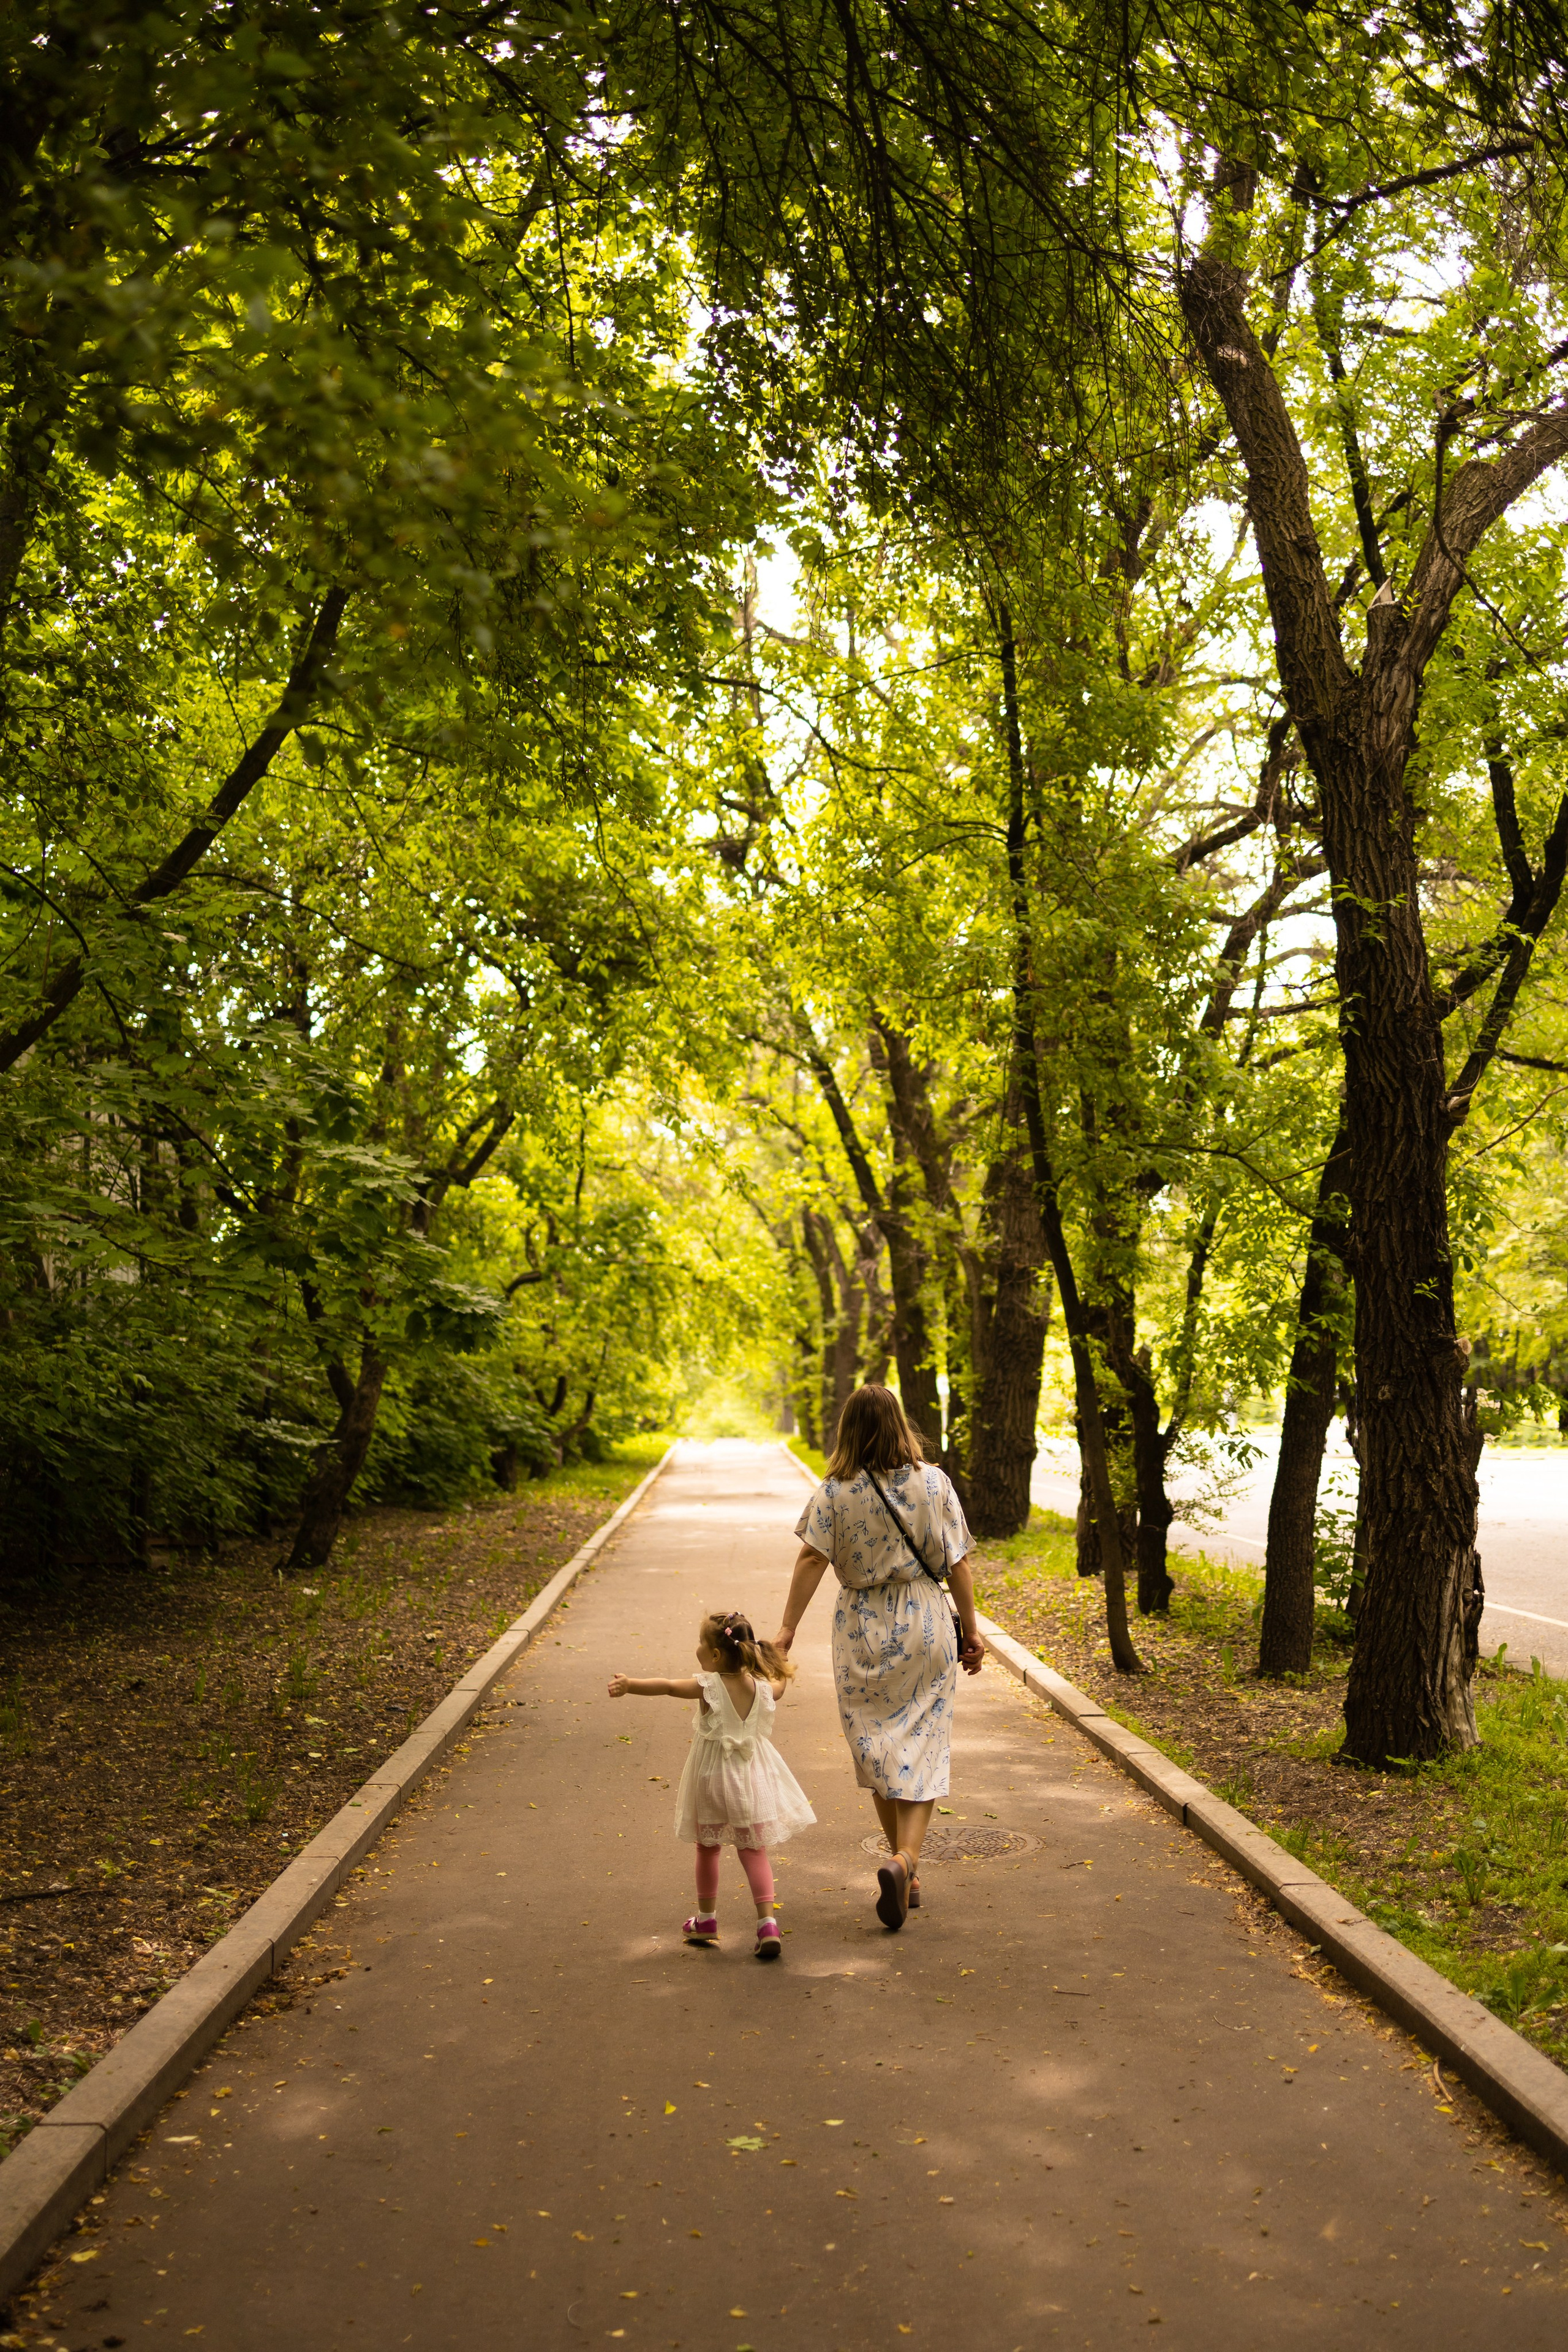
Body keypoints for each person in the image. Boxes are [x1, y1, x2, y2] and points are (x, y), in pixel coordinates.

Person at [775, 1384, 984, 1932]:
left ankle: (905, 1871)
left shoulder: (833, 1492)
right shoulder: (934, 1483)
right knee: (924, 1745)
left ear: (849, 1429)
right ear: (900, 1424)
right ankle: (906, 1864)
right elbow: (958, 1563)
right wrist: (973, 1635)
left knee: (878, 1748)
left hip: (861, 1628)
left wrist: (786, 1631)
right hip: (925, 1620)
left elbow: (809, 1560)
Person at [608, 1609, 815, 1959]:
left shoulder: (708, 1687)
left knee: (708, 1847)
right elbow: (779, 1685)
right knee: (754, 1850)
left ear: (716, 1655)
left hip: (712, 1780)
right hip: (753, 1780)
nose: (698, 1649)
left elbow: (668, 1687)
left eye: (701, 1643)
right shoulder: (763, 1688)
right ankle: (768, 1924)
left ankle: (706, 1920)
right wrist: (777, 1660)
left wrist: (630, 1685)